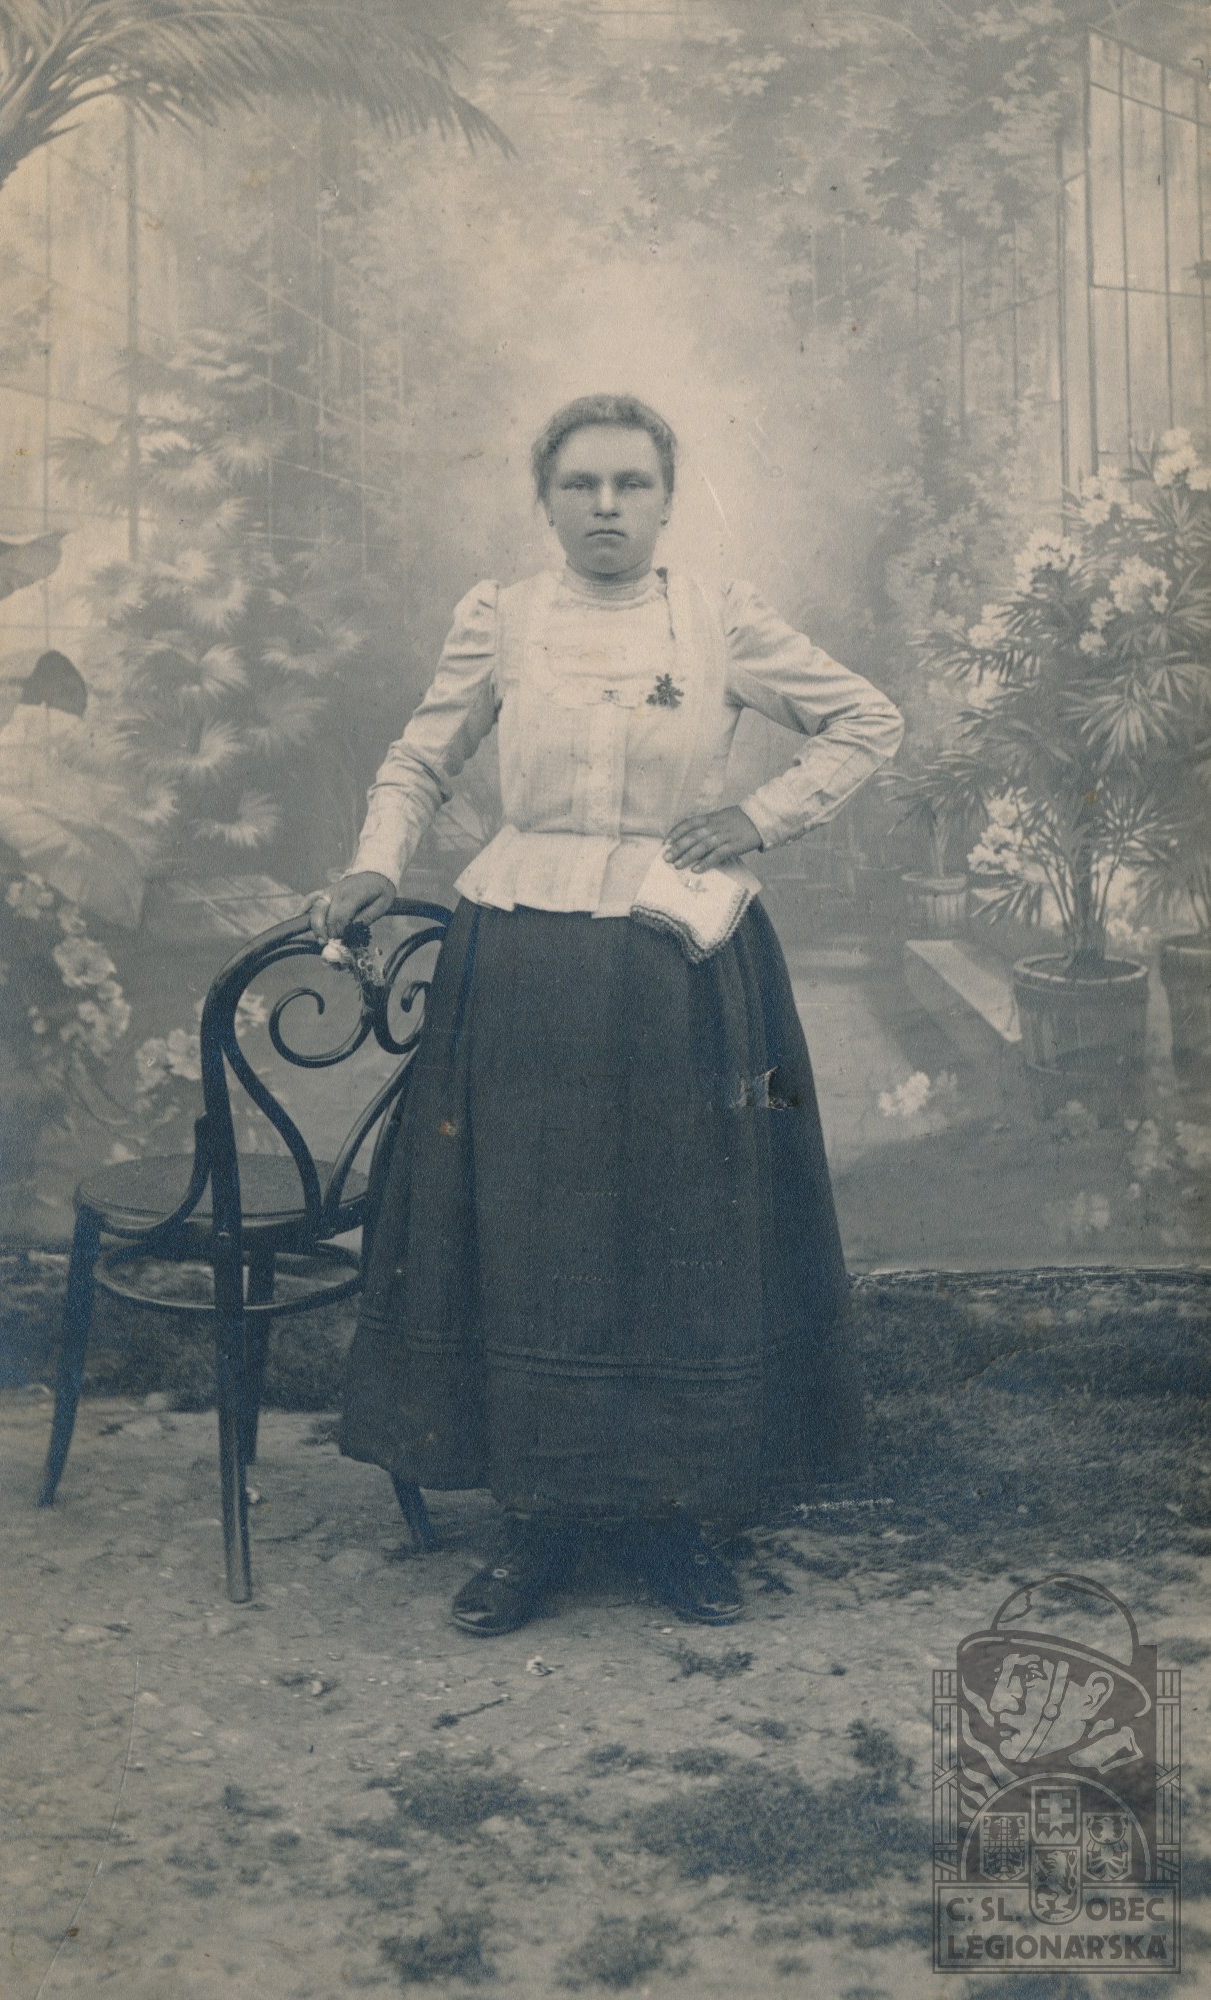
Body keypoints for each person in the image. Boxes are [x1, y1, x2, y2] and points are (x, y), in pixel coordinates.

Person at [308, 392, 903, 1636]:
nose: (607, 507)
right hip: (521, 958)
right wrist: (373, 860)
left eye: (632, 483)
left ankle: (671, 1517)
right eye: (580, 484)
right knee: (533, 1231)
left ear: (668, 499)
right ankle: (539, 1519)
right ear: (546, 499)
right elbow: (420, 759)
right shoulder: (504, 617)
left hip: (678, 966)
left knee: (678, 1229)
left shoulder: (722, 618)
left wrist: (758, 816)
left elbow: (867, 719)